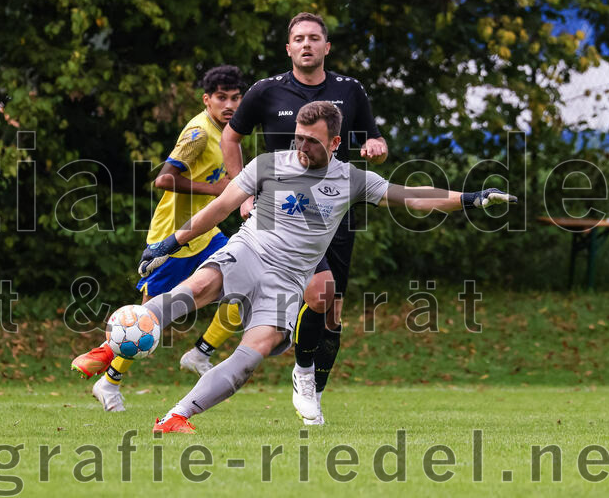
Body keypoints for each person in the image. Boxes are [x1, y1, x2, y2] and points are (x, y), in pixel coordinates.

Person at [73, 101, 515, 433]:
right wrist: (171, 242)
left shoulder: (351, 179)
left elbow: (412, 196)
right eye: (298, 138)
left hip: (288, 280)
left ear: (336, 143)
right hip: (251, 250)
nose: (301, 147)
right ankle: (118, 341)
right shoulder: (268, 165)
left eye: (312, 141)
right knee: (201, 285)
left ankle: (176, 416)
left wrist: (470, 199)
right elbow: (222, 207)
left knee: (253, 356)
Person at [182, 12, 388, 424]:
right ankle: (299, 371)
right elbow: (230, 136)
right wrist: (239, 192)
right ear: (289, 48)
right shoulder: (266, 91)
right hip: (282, 216)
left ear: (326, 47)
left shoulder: (350, 91)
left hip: (333, 212)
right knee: (318, 290)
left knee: (330, 311)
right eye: (299, 38)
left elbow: (373, 137)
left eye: (314, 38)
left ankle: (306, 377)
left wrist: (376, 148)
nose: (307, 44)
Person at [70, 65, 245, 411]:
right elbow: (163, 180)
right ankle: (109, 382)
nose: (229, 105)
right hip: (173, 237)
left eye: (235, 98)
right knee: (146, 320)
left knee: (247, 282)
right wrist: (213, 189)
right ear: (206, 100)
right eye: (221, 98)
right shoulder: (198, 133)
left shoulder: (230, 133)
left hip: (206, 232)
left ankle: (200, 353)